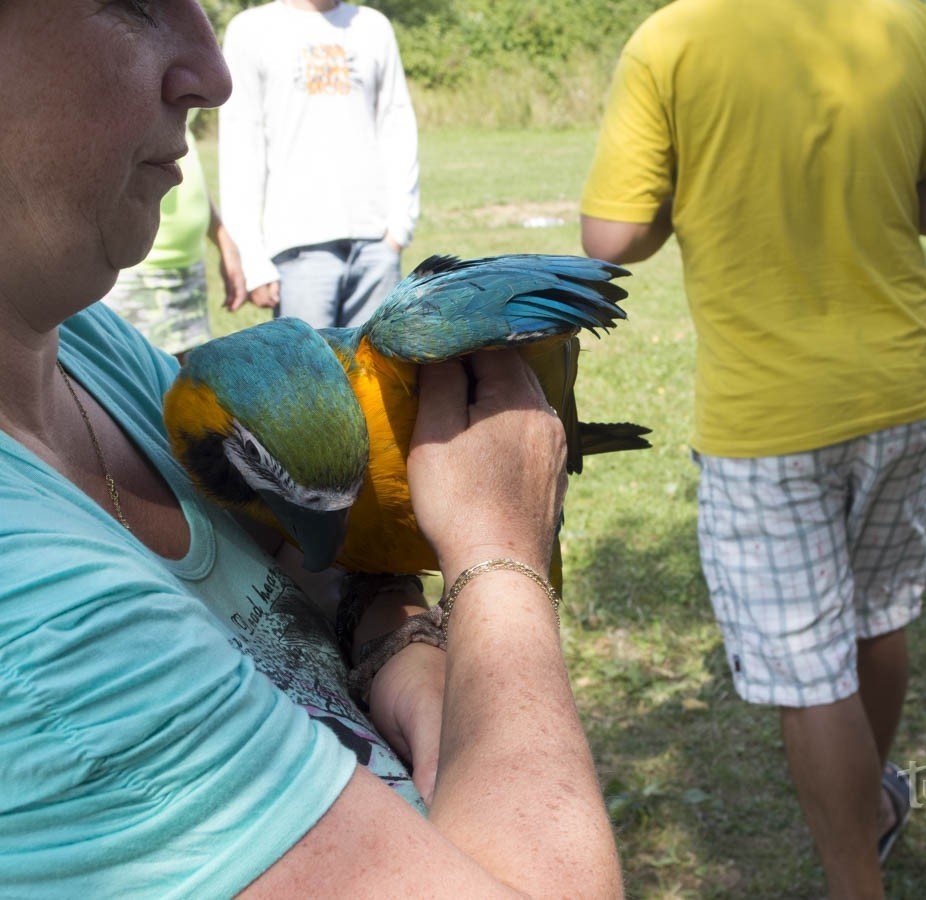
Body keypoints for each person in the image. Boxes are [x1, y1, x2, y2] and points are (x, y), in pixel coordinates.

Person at [0, 2, 620, 896]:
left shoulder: (90, 349)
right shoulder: (37, 624)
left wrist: (395, 644)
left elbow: (299, 568)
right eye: (133, 2)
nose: (213, 75)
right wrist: (497, 555)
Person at [580, 1, 926, 897]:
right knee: (878, 615)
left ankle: (857, 875)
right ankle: (872, 805)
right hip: (899, 385)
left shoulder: (671, 40)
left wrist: (694, 196)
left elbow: (613, 237)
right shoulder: (908, 23)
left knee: (809, 668)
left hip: (765, 413)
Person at [219, 0, 420, 330]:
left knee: (375, 376)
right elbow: (241, 149)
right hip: (297, 249)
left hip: (376, 245)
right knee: (307, 378)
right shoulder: (251, 30)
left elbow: (396, 126)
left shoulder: (373, 27)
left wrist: (398, 229)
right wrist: (253, 261)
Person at [102, 113, 255, 362]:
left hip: (189, 267)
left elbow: (182, 160)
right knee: (133, 385)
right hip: (136, 274)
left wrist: (223, 240)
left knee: (187, 387)